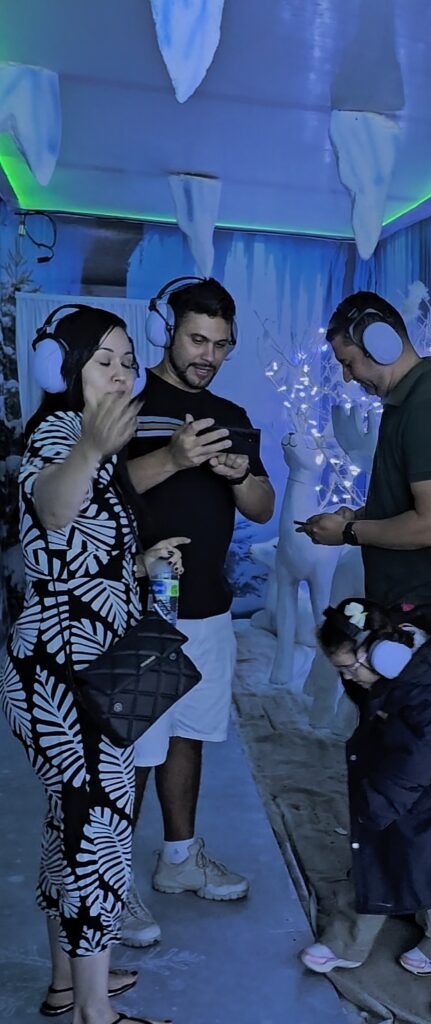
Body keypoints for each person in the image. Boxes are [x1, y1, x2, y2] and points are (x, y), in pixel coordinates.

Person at [0, 305, 184, 1024]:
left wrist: (138, 564)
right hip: (67, 676)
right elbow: (50, 510)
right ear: (61, 368)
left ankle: (68, 987)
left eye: (128, 361)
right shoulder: (61, 436)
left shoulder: (94, 446)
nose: (121, 373)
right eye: (103, 360)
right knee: (97, 833)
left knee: (71, 823)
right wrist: (88, 449)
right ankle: (92, 1014)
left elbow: (67, 556)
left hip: (93, 664)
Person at [121, 278, 275, 946]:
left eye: (220, 344)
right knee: (135, 746)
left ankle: (179, 858)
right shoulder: (126, 405)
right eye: (196, 339)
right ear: (168, 332)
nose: (207, 354)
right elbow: (98, 492)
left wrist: (239, 474)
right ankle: (110, 882)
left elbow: (264, 507)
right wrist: (174, 457)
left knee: (190, 732)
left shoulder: (230, 414)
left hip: (209, 608)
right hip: (141, 608)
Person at [299, 598, 431, 976]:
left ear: (383, 655)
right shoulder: (404, 669)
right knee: (390, 854)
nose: (348, 678)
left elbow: (421, 753)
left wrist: (381, 804)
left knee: (426, 861)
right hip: (409, 778)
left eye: (349, 669)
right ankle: (353, 940)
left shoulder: (429, 692)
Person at [297, 291, 431, 637]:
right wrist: (360, 516)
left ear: (380, 344)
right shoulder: (407, 401)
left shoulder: (429, 407)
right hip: (411, 603)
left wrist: (348, 532)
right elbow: (410, 502)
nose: (347, 377)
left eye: (348, 362)